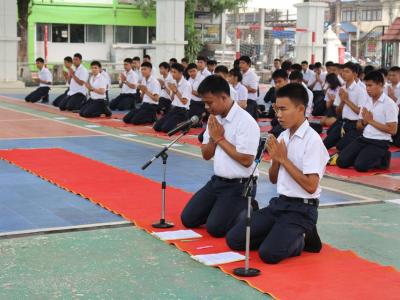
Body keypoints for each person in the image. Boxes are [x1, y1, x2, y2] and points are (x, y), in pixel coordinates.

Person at [226, 83, 330, 264]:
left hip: (302, 209)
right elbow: (274, 179)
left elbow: (311, 186)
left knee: (269, 254)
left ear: (300, 109)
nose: (278, 115)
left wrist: (283, 160)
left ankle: (304, 237)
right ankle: (281, 233)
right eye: (276, 109)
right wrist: (275, 160)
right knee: (235, 239)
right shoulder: (282, 137)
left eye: (283, 109)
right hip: (280, 204)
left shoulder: (312, 141)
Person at [181, 75, 260, 237]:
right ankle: (224, 208)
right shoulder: (214, 120)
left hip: (240, 185)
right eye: (205, 102)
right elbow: (206, 154)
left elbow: (246, 160)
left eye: (209, 102)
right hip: (217, 182)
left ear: (224, 97)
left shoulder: (246, 121)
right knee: (188, 219)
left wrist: (219, 139)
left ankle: (248, 207)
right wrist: (213, 139)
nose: (206, 107)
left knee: (215, 229)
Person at [337, 71, 398, 171]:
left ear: (380, 85)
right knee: (341, 162)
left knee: (360, 166)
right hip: (364, 138)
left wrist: (370, 121)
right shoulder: (367, 101)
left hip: (380, 142)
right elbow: (358, 126)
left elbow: (393, 130)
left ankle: (383, 157)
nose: (367, 89)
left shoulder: (389, 104)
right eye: (366, 86)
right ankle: (365, 155)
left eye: (370, 85)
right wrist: (364, 122)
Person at [323, 62, 368, 151]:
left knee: (340, 147)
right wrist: (342, 102)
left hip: (355, 126)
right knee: (324, 145)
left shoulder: (361, 90)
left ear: (354, 74)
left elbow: (361, 112)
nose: (343, 74)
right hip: (342, 123)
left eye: (347, 71)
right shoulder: (342, 89)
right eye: (343, 71)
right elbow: (338, 112)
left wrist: (346, 100)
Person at [153, 63, 192, 133]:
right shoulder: (174, 82)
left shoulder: (187, 84)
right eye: (171, 72)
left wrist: (175, 90)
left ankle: (185, 123)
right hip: (174, 108)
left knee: (165, 129)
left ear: (180, 73)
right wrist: (173, 92)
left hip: (182, 111)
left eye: (174, 72)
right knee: (157, 127)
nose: (172, 74)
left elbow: (184, 101)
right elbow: (172, 98)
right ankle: (181, 123)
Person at [385, 66, 400, 146]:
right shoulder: (385, 87)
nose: (391, 77)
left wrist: (391, 97)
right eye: (389, 75)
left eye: (394, 75)